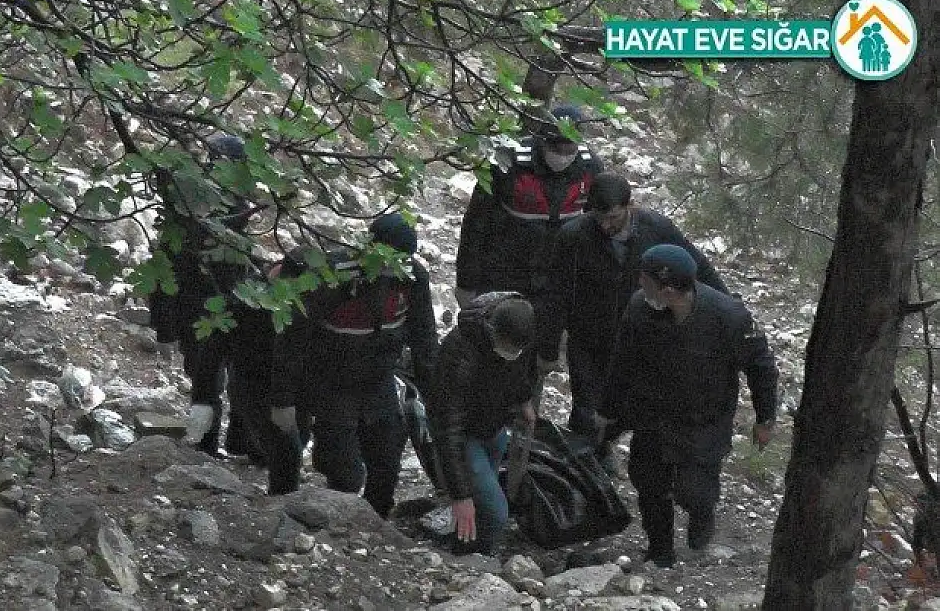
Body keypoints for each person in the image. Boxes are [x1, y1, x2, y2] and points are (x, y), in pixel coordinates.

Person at [599, 244, 778, 567]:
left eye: (646, 281)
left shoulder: (729, 318)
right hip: (653, 415)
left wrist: (765, 418)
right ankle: (660, 550)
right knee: (649, 484)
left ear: (667, 291)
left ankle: (701, 517)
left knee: (693, 492)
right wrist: (608, 412)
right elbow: (621, 363)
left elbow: (761, 367)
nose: (640, 285)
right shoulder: (639, 309)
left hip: (704, 420)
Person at [540, 173, 730, 471]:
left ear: (630, 206)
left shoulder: (657, 229)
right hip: (588, 336)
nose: (605, 226)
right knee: (586, 409)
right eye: (599, 217)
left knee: (632, 404)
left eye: (613, 218)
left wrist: (726, 308)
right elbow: (555, 293)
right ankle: (585, 469)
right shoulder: (574, 236)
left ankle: (608, 449)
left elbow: (695, 267)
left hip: (641, 336)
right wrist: (548, 347)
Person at [266, 213, 439, 517]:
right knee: (345, 469)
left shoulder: (412, 278)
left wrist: (436, 397)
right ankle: (333, 521)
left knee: (387, 455)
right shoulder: (332, 275)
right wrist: (284, 399)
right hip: (330, 379)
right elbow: (293, 338)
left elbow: (424, 338)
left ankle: (377, 521)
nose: (394, 269)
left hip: (378, 376)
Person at [148, 133, 270, 461]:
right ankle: (207, 447)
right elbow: (166, 266)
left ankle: (230, 443)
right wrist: (163, 324)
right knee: (209, 384)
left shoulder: (213, 203)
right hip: (201, 306)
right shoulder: (194, 209)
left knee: (228, 380)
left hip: (224, 304)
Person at [454, 104, 604, 310]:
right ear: (541, 140)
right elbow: (476, 224)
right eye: (555, 148)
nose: (562, 155)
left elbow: (595, 227)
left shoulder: (590, 168)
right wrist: (466, 282)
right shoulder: (509, 163)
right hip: (504, 272)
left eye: (569, 149)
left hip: (556, 277)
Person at [425, 292, 539, 555]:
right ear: (492, 331)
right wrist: (460, 495)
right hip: (465, 434)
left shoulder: (520, 332)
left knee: (482, 502)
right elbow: (448, 427)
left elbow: (519, 370)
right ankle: (476, 559)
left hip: (494, 425)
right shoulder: (460, 353)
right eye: (507, 348)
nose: (512, 354)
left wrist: (523, 401)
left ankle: (465, 545)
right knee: (495, 511)